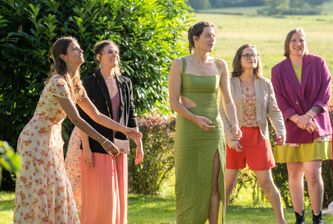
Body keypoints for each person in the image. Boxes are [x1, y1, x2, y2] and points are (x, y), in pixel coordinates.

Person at [13, 36, 141, 223]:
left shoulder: (75, 84)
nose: (81, 51)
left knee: (58, 188)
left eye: (80, 48)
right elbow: (76, 118)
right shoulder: (59, 82)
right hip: (35, 140)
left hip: (52, 138)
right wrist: (103, 140)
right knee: (41, 191)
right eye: (75, 49)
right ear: (63, 57)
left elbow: (96, 115)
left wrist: (125, 130)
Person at [169, 21, 241, 224]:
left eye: (214, 36)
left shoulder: (220, 65)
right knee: (189, 181)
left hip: (213, 131)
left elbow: (227, 99)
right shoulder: (179, 64)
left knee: (213, 183)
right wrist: (195, 119)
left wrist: (234, 124)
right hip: (188, 131)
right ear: (196, 39)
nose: (212, 40)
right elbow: (174, 102)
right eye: (208, 36)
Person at [64, 40, 143, 224]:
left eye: (116, 52)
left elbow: (130, 113)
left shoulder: (125, 82)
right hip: (97, 145)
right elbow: (82, 117)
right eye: (109, 52)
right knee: (102, 196)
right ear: (99, 56)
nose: (114, 55)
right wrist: (86, 147)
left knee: (118, 196)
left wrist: (138, 143)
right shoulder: (88, 82)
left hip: (120, 145)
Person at [271, 28, 332, 224]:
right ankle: (299, 218)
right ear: (287, 45)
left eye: (301, 40)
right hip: (292, 127)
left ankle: (317, 218)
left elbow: (326, 92)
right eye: (294, 40)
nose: (298, 44)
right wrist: (297, 119)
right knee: (294, 174)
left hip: (315, 125)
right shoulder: (278, 70)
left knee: (313, 173)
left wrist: (309, 115)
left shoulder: (318, 63)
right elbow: (278, 99)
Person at [222, 44, 287, 224]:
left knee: (267, 183)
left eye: (254, 55)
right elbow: (223, 113)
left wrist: (280, 131)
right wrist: (230, 139)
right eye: (247, 55)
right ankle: (218, 220)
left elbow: (274, 111)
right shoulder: (228, 82)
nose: (251, 58)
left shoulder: (265, 83)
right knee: (227, 185)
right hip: (235, 137)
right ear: (239, 59)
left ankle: (281, 221)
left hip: (259, 137)